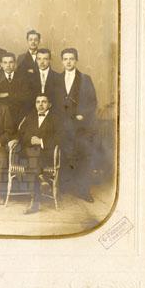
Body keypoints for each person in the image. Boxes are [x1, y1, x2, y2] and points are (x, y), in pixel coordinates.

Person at [57, 48, 98, 203]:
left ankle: (83, 190)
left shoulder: (85, 79)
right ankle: (64, 187)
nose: (68, 62)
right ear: (62, 61)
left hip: (81, 126)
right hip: (63, 125)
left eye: (71, 59)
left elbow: (92, 102)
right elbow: (53, 100)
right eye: (65, 59)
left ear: (76, 60)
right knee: (65, 155)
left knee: (84, 156)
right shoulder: (57, 79)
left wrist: (83, 114)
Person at [18, 94, 61, 214]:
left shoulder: (55, 119)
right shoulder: (30, 117)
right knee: (32, 156)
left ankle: (35, 202)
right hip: (29, 152)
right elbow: (21, 133)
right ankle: (42, 179)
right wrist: (31, 139)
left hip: (46, 154)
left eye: (44, 102)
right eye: (38, 102)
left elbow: (59, 137)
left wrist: (41, 141)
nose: (40, 105)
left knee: (33, 162)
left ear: (49, 105)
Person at [0, 52, 31, 124]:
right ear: (1, 64)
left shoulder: (23, 78)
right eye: (5, 62)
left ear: (15, 63)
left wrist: (8, 94)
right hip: (0, 116)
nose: (8, 65)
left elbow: (25, 96)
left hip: (19, 114)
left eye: (11, 62)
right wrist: (17, 94)